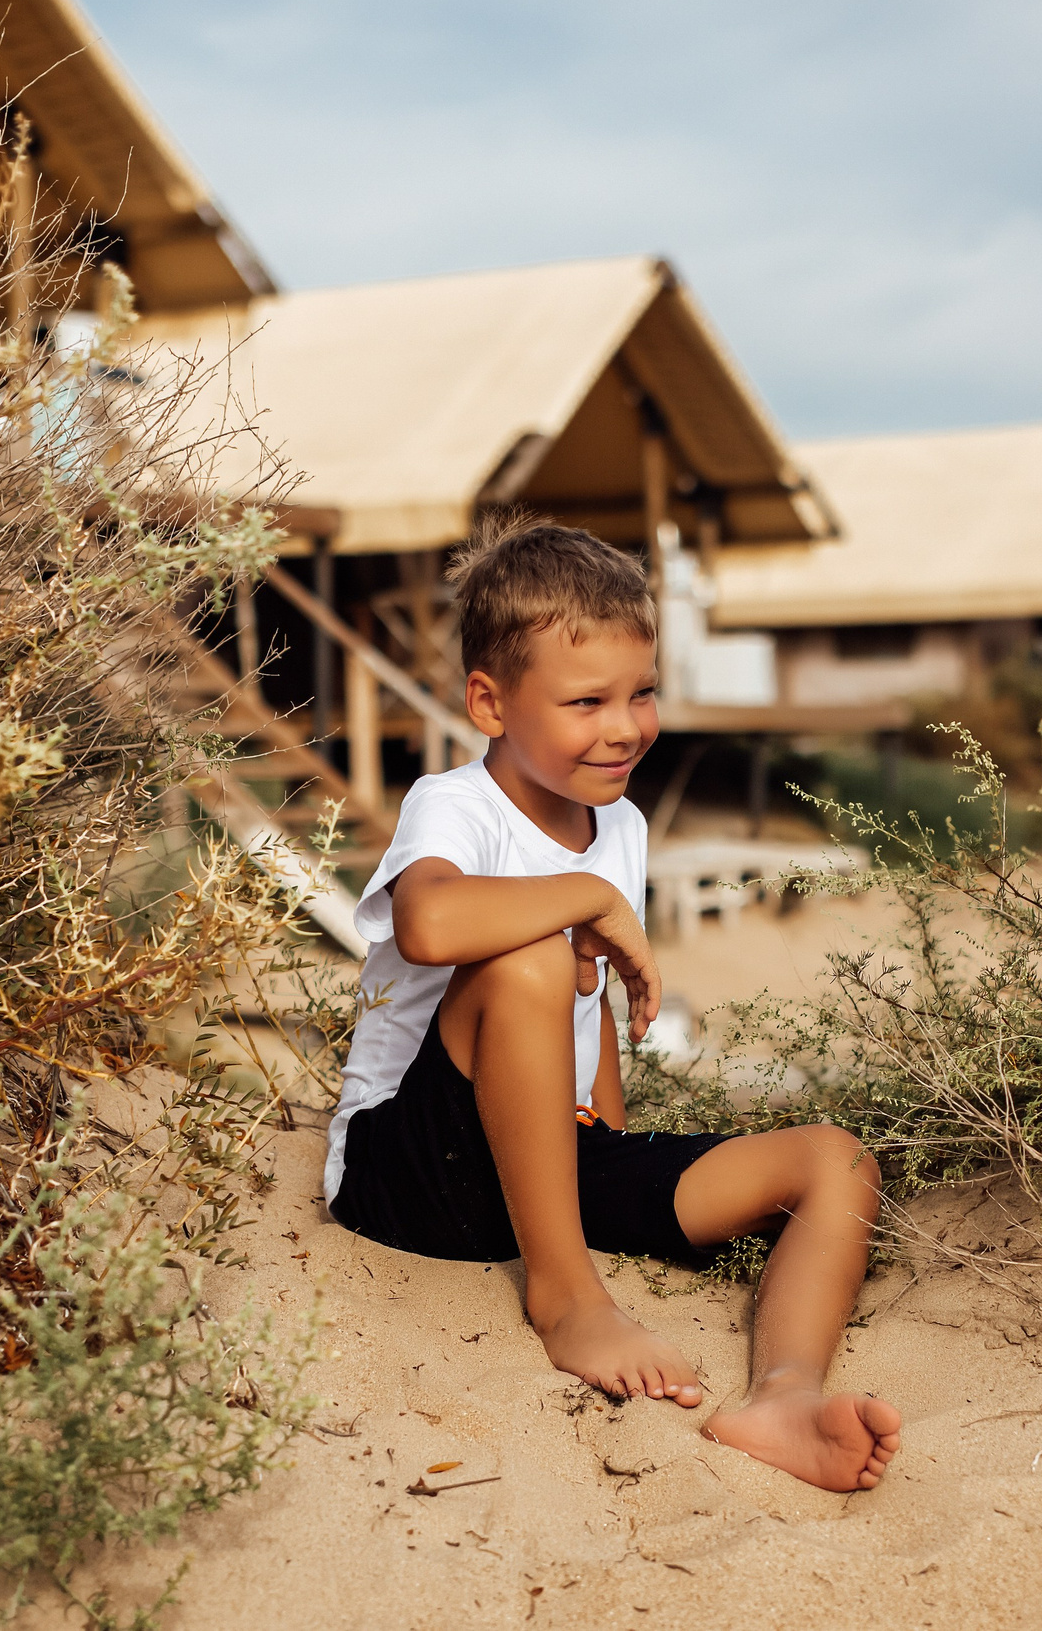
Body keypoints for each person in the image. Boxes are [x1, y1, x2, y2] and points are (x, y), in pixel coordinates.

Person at [325, 518, 902, 1493]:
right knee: (528, 960)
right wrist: (589, 900)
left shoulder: (620, 823)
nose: (625, 725)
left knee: (833, 1160)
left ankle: (784, 1394)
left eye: (642, 692)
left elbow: (590, 1014)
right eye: (586, 700)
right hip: (404, 1173)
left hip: (546, 1164)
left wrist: (612, 1152)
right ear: (490, 701)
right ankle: (565, 1297)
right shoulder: (453, 804)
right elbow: (428, 926)